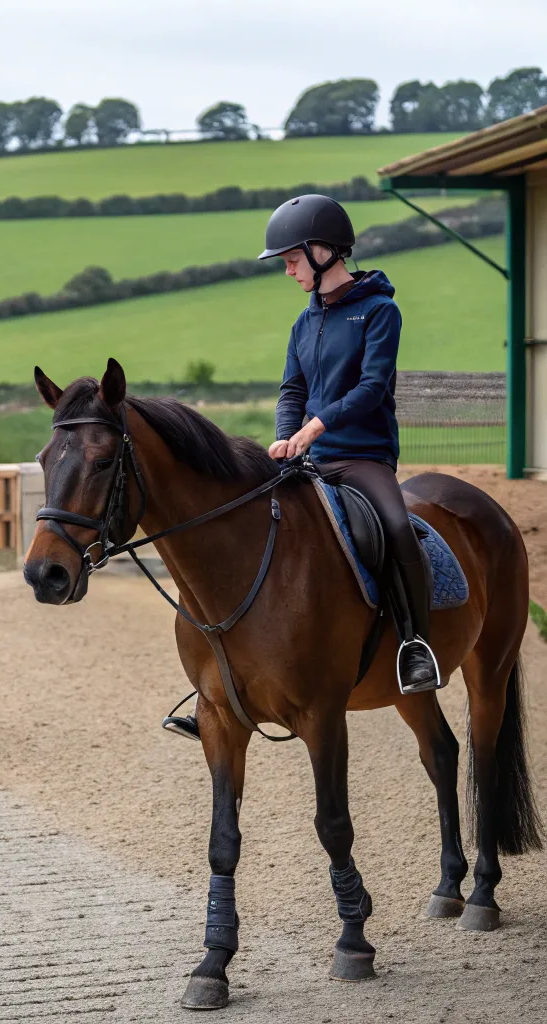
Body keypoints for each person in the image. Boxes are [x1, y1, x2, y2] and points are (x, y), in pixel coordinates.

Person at [164, 195, 438, 740]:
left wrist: (317, 427)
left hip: (362, 456)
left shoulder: (380, 312)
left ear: (324, 251)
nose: (287, 270)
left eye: (291, 259)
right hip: (308, 458)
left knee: (399, 528)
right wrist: (285, 435)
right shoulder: (303, 321)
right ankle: (219, 685)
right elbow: (292, 389)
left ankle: (414, 646)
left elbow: (372, 387)